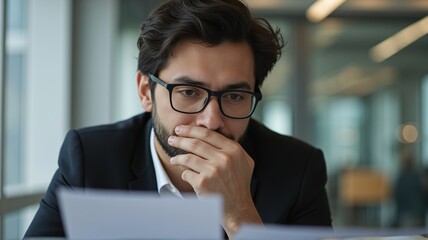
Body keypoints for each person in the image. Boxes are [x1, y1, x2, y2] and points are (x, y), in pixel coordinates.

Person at [24, 0, 331, 238]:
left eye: (235, 96)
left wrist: (240, 216)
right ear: (146, 92)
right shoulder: (90, 158)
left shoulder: (298, 170)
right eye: (188, 92)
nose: (211, 121)